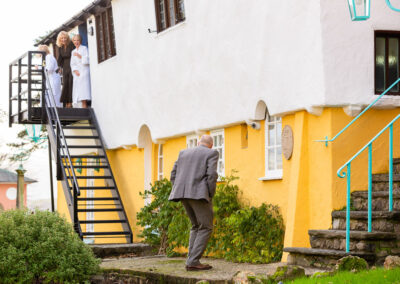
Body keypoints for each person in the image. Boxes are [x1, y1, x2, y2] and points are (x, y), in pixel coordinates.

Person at [169, 135, 219, 271]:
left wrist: (178, 188)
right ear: (211, 145)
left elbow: (173, 174)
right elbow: (212, 175)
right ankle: (193, 261)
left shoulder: (183, 153)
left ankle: (191, 260)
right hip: (199, 194)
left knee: (196, 225)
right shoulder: (212, 153)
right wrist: (210, 193)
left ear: (198, 143)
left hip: (182, 193)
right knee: (206, 226)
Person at [70, 34, 91, 108]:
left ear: (80, 41)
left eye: (77, 40)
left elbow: (88, 59)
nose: (76, 42)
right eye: (74, 40)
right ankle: (80, 106)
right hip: (77, 73)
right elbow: (72, 63)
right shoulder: (73, 51)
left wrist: (80, 56)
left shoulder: (84, 48)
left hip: (84, 70)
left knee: (84, 89)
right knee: (78, 90)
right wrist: (75, 70)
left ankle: (84, 105)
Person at [56, 31, 74, 108]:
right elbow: (60, 58)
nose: (63, 39)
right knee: (65, 83)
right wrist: (59, 67)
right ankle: (66, 103)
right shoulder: (60, 48)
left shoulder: (71, 45)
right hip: (65, 66)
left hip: (72, 65)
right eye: (62, 38)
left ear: (67, 38)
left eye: (65, 38)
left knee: (71, 83)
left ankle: (70, 102)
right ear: (59, 39)